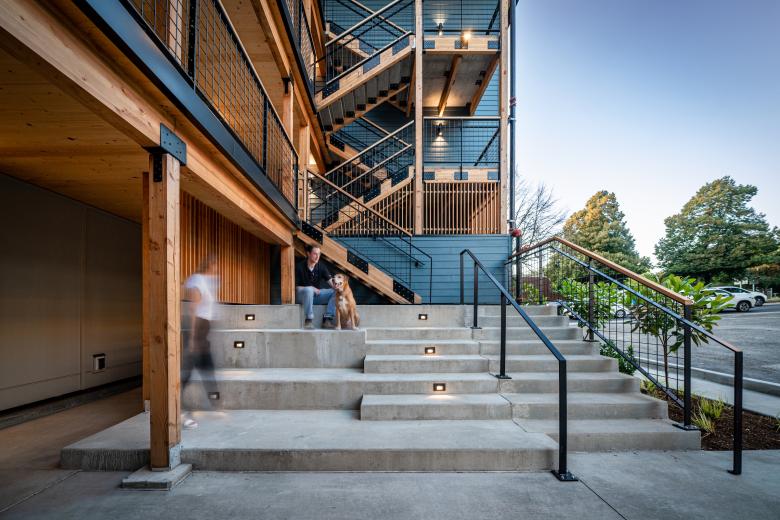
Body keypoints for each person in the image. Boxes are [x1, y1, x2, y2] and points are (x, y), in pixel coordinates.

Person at [181, 255, 220, 429]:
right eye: (215, 265)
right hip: (197, 330)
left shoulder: (206, 281)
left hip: (203, 331)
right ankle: (178, 403)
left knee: (206, 368)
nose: (217, 268)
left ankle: (215, 401)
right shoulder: (197, 280)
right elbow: (193, 309)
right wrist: (192, 339)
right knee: (190, 370)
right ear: (210, 264)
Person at [295, 245, 337, 329]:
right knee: (309, 290)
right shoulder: (300, 266)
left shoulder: (321, 266)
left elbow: (332, 283)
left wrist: (338, 285)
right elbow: (295, 288)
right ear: (308, 254)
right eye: (315, 254)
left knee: (336, 291)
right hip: (302, 297)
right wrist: (311, 288)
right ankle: (308, 320)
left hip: (316, 296)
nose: (317, 256)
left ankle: (327, 319)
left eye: (319, 254)